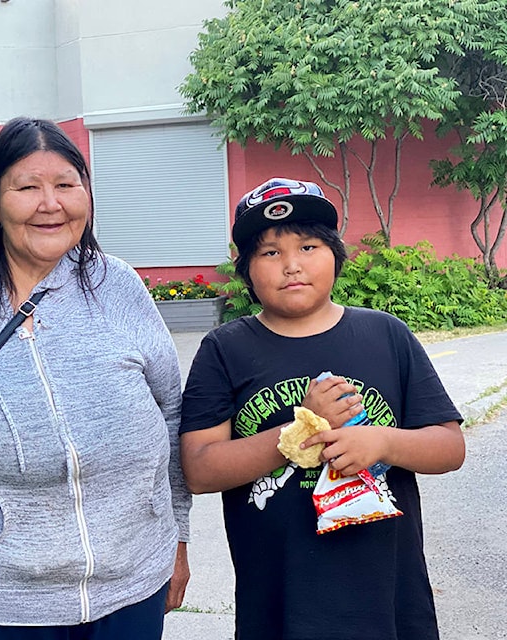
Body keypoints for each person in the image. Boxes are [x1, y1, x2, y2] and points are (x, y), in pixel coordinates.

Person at [0, 117, 192, 639]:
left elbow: (170, 410)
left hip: (133, 576)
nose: (51, 204)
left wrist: (178, 534)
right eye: (27, 188)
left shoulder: (116, 284)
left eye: (67, 185)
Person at [179, 177, 466, 640]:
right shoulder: (225, 350)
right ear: (246, 270)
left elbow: (449, 447)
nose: (292, 265)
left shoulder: (386, 335)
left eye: (309, 246)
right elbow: (199, 468)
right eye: (270, 253)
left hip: (388, 598)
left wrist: (381, 440)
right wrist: (296, 433)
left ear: (335, 255)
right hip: (280, 601)